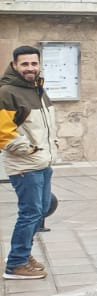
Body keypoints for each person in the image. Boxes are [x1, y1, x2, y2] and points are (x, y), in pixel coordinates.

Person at [2, 45, 57, 282]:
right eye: (25, 64)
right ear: (15, 65)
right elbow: (4, 133)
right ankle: (16, 263)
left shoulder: (38, 89)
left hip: (42, 162)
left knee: (41, 210)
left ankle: (20, 252)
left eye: (34, 63)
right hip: (26, 165)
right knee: (30, 212)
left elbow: (45, 124)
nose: (30, 68)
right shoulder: (7, 92)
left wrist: (53, 143)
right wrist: (30, 149)